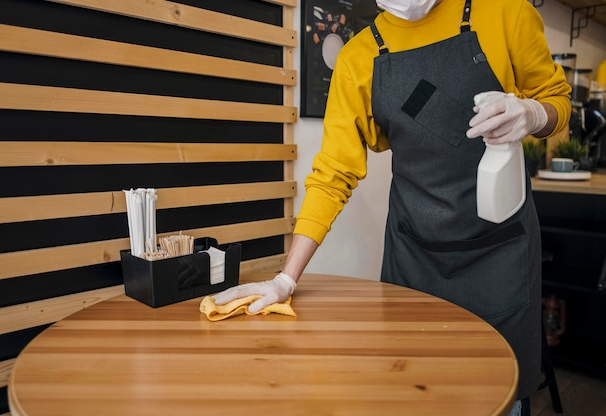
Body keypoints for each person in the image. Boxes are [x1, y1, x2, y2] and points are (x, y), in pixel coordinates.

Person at [214, 0, 571, 413]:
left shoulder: (506, 12)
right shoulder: (358, 57)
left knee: (498, 398)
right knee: (414, 391)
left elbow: (558, 102)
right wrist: (285, 280)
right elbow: (333, 175)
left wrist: (534, 113)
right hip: (414, 258)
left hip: (500, 255)